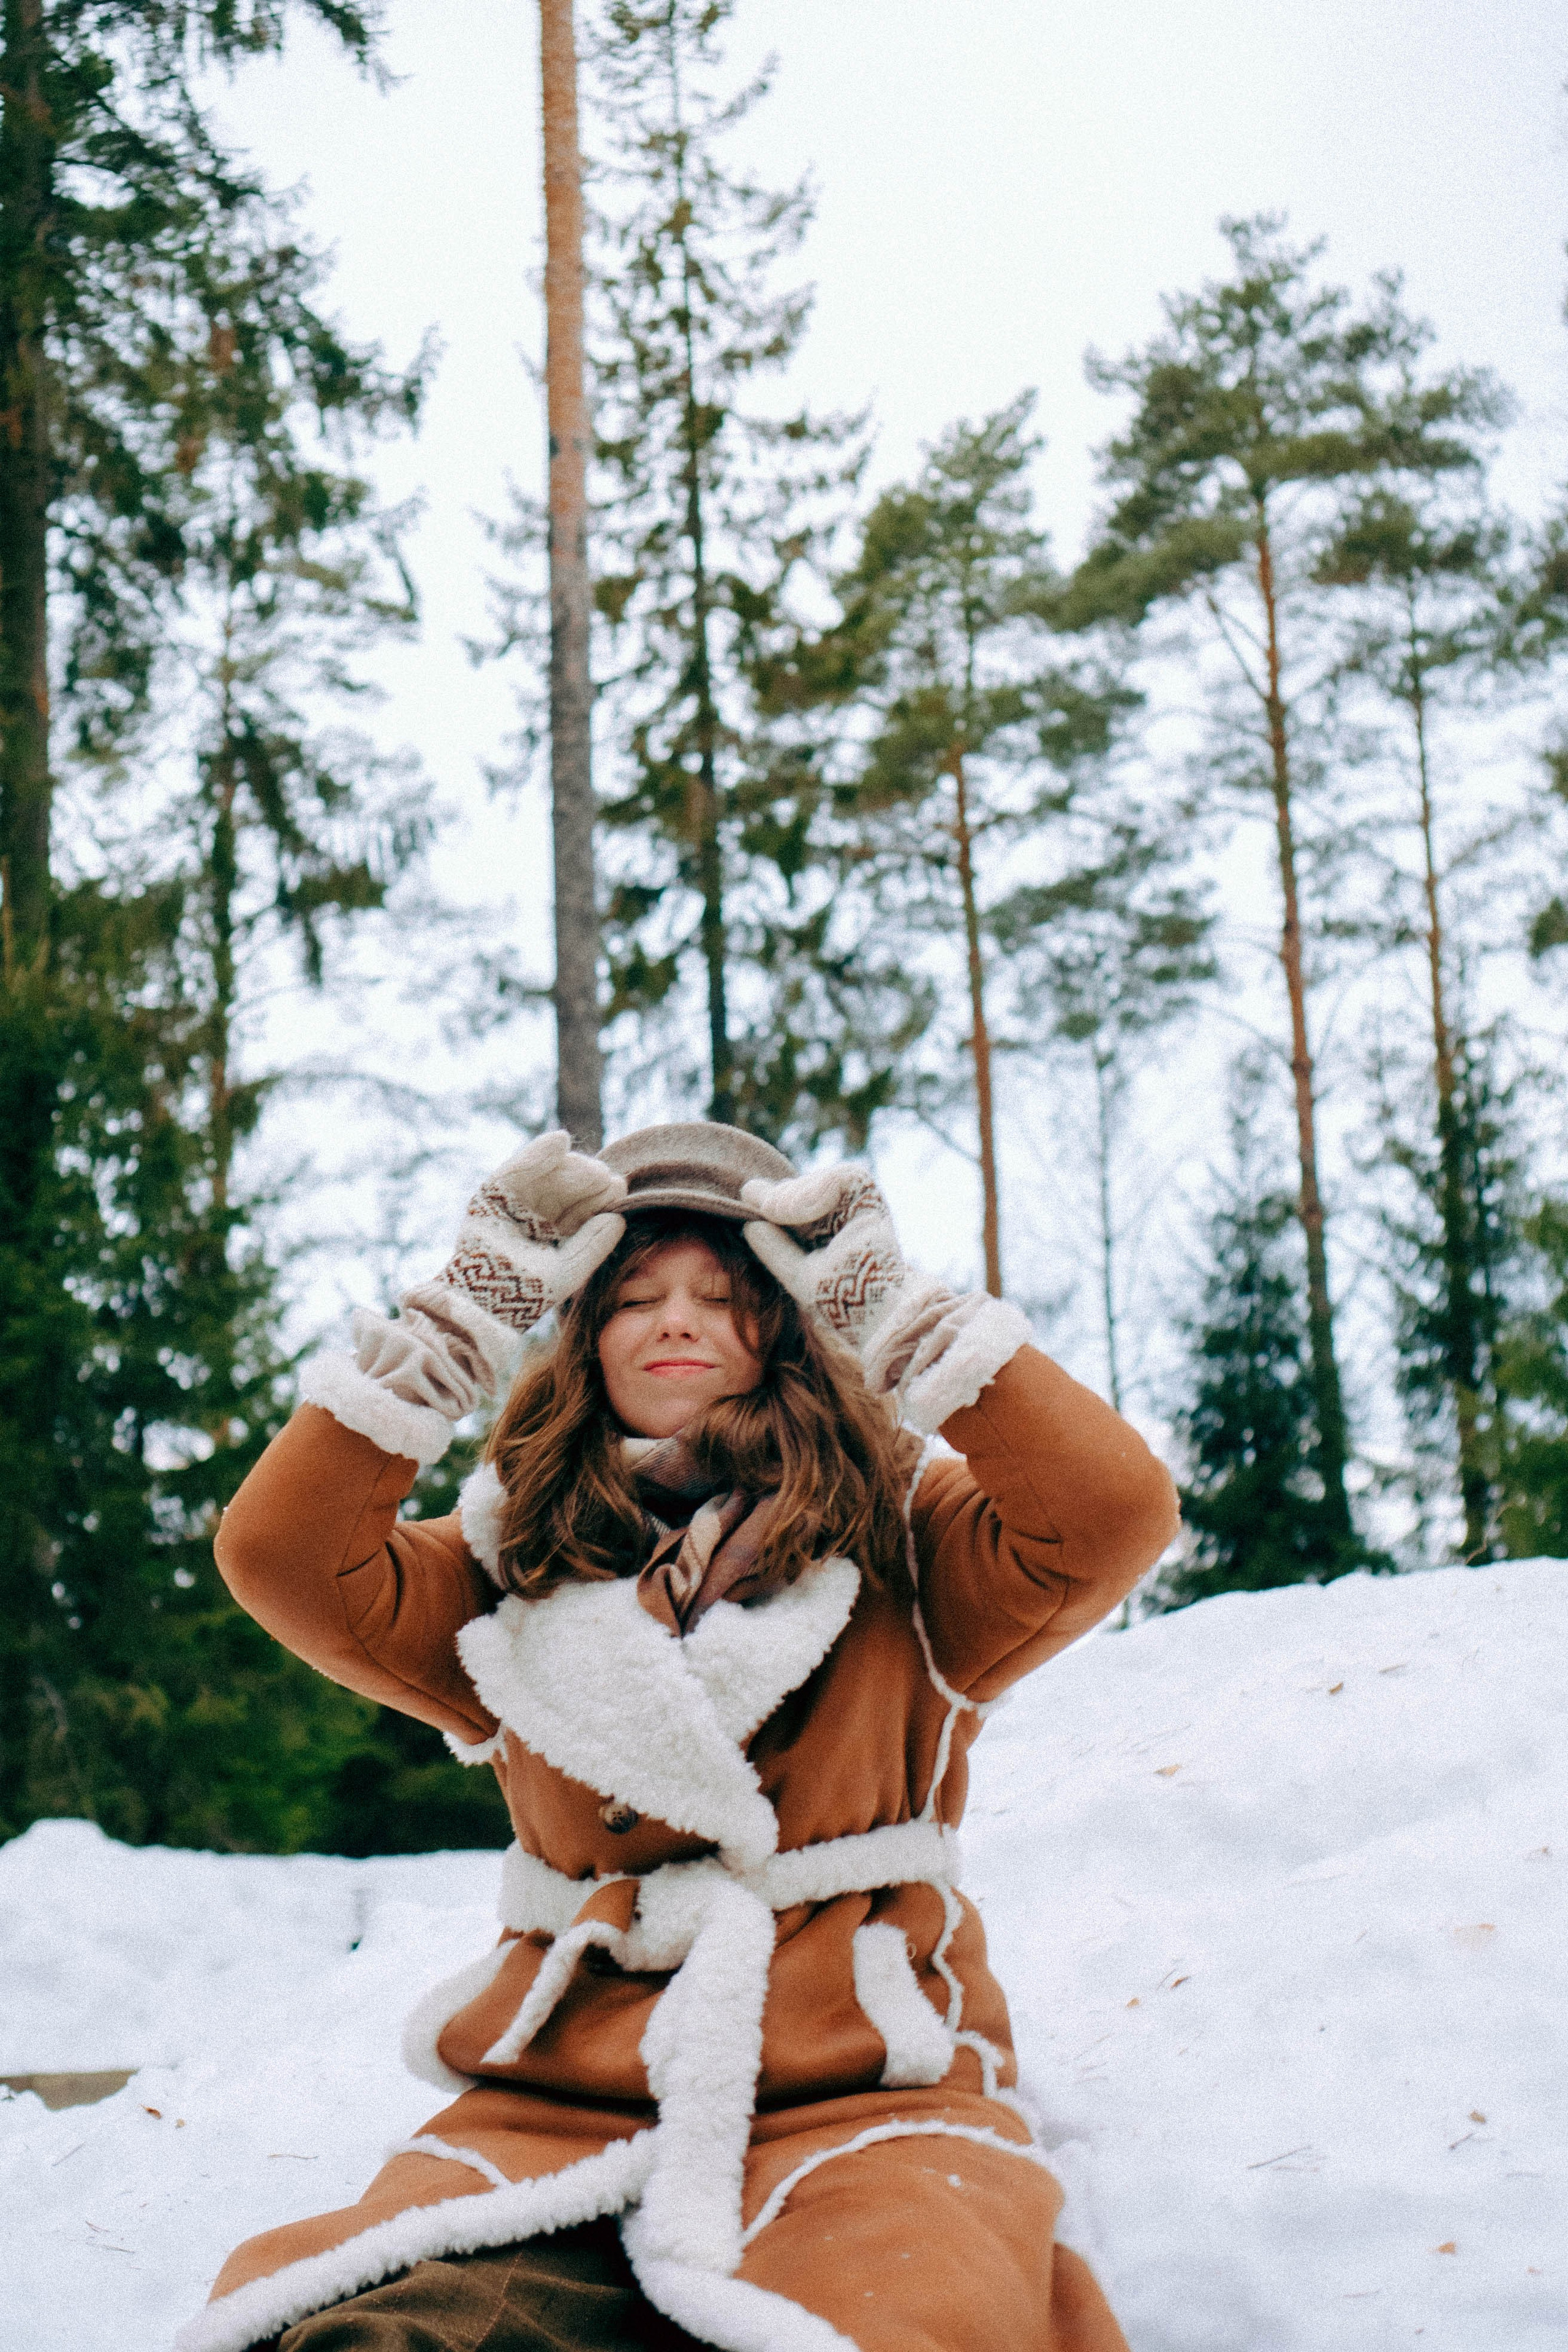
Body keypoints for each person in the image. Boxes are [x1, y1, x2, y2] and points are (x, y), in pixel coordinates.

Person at [177, 1121, 1178, 2352]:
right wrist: (459, 1318)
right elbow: (278, 1558)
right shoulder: (506, 1563)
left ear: (789, 1326)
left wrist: (889, 1304)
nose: (674, 1320)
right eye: (633, 1295)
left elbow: (1112, 1512)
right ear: (580, 1334)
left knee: (899, 2328)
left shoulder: (907, 1540)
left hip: (862, 2095)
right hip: (562, 2104)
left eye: (725, 1295)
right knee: (382, 2337)